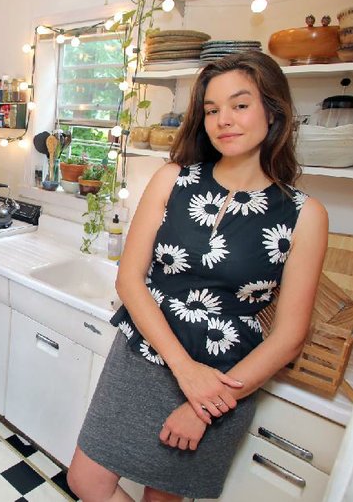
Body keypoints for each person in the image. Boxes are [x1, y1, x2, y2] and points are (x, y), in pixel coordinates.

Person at [67, 51, 328, 501]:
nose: (223, 119)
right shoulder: (173, 179)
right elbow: (130, 281)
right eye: (211, 110)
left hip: (226, 380)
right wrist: (185, 371)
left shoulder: (305, 214)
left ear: (273, 111)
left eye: (240, 105)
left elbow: (289, 336)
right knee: (86, 479)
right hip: (143, 356)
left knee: (163, 497)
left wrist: (204, 406)